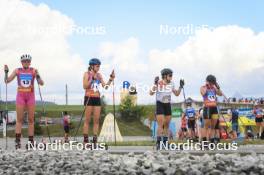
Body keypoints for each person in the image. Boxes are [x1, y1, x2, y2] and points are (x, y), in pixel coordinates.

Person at [4, 54, 44, 149]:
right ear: (21, 62)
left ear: (30, 62)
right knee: (19, 119)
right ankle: (17, 141)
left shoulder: (33, 70)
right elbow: (7, 81)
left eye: (27, 61)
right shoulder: (17, 71)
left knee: (31, 120)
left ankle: (30, 141)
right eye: (24, 61)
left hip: (30, 97)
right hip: (21, 97)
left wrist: (38, 75)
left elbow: (41, 83)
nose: (26, 63)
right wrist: (6, 72)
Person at [83, 58, 115, 148]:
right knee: (87, 120)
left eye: (99, 66)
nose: (99, 68)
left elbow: (105, 87)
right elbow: (85, 86)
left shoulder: (99, 75)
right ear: (92, 66)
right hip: (88, 97)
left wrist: (111, 79)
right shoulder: (87, 74)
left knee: (96, 121)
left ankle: (94, 141)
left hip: (97, 98)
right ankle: (85, 141)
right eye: (97, 66)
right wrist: (91, 79)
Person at [150, 68, 184, 150]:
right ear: (165, 76)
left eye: (172, 75)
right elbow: (151, 93)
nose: (171, 77)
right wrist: (155, 84)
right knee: (161, 125)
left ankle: (165, 143)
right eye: (170, 75)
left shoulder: (171, 83)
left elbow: (176, 94)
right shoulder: (159, 83)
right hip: (160, 104)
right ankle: (158, 143)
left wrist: (180, 87)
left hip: (167, 104)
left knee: (167, 125)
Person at [200, 74, 223, 146]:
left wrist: (218, 87)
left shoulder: (214, 88)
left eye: (213, 83)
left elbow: (220, 94)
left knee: (213, 126)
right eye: (211, 82)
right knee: (206, 126)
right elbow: (203, 93)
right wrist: (207, 86)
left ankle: (212, 142)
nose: (212, 84)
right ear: (208, 82)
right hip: (207, 108)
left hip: (214, 108)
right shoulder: (203, 87)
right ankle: (204, 142)